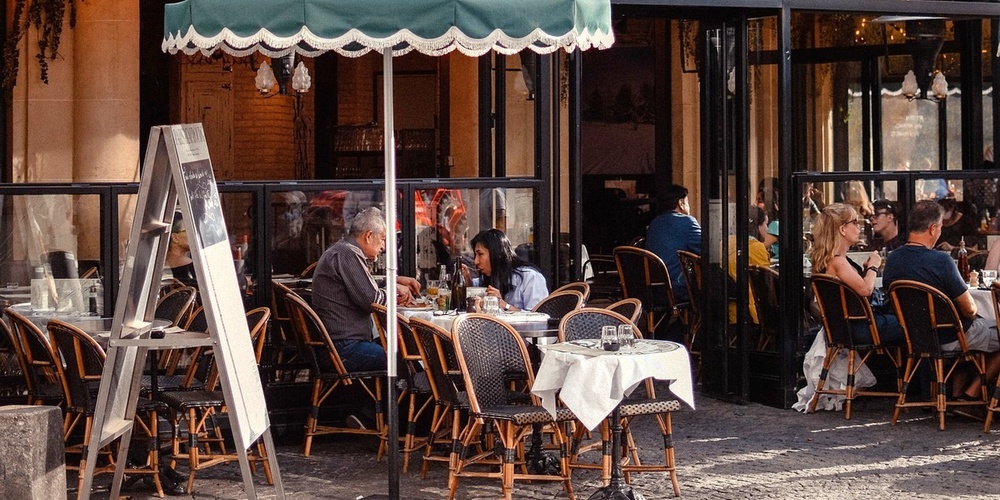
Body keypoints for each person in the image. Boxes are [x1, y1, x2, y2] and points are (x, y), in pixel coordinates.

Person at [883, 200, 1000, 399]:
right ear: (933, 228)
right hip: (951, 337)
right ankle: (972, 394)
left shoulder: (893, 259)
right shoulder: (941, 260)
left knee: (973, 332)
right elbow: (970, 309)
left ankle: (956, 394)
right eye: (940, 227)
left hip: (915, 337)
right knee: (977, 330)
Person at [310, 207, 421, 374]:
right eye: (382, 239)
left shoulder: (343, 250)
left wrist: (394, 280)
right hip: (342, 349)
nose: (383, 246)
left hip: (338, 344)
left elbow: (362, 285)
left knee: (406, 349)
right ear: (369, 236)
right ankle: (414, 391)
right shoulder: (348, 254)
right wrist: (394, 289)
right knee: (407, 359)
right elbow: (371, 300)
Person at [809, 203, 903, 346]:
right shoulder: (838, 262)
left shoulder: (831, 259)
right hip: (860, 328)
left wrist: (865, 272)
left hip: (845, 328)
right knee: (913, 323)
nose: (859, 227)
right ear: (842, 229)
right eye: (854, 222)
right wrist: (873, 266)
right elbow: (865, 289)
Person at [644, 184, 701, 303]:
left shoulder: (654, 223)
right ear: (681, 203)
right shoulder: (687, 221)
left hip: (654, 288)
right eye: (687, 202)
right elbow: (707, 250)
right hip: (678, 287)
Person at [467, 228, 548, 312]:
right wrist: (467, 281)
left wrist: (504, 305)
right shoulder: (488, 277)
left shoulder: (530, 278)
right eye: (475, 255)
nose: (476, 261)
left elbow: (538, 316)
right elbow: (475, 287)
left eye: (480, 254)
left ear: (496, 254)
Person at [727, 206, 772, 325]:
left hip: (728, 309)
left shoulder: (725, 242)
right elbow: (767, 284)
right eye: (766, 224)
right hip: (752, 312)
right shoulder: (756, 248)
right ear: (758, 226)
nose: (767, 229)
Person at [165, 213, 198, 287]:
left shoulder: (164, 260)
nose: (193, 234)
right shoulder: (188, 263)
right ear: (175, 238)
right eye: (188, 230)